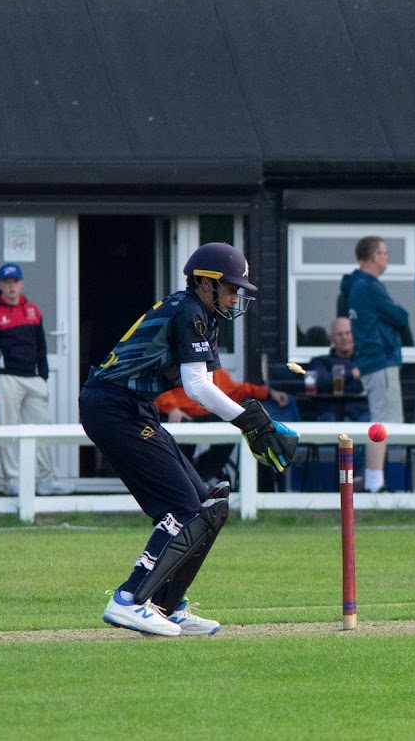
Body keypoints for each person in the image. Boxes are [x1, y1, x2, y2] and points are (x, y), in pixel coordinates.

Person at [79, 242, 299, 637]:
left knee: (205, 507)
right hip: (112, 407)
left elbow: (207, 383)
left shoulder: (202, 315)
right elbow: (196, 387)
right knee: (182, 507)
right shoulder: (189, 312)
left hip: (130, 408)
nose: (235, 296)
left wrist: (250, 418)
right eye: (230, 288)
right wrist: (251, 421)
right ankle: (128, 600)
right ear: (205, 282)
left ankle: (165, 606)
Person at [0, 263, 70, 496]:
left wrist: (44, 376)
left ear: (21, 284)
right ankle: (13, 481)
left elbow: (41, 347)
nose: (11, 287)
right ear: (0, 285)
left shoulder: (33, 311)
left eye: (15, 282)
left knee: (42, 428)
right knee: (9, 429)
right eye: (6, 283)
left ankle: (46, 479)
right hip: (7, 378)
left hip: (33, 378)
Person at [342, 237, 408, 493]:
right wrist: (399, 311)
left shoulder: (357, 286)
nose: (386, 257)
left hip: (372, 361)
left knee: (383, 421)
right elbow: (399, 316)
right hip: (380, 360)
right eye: (382, 252)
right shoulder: (368, 286)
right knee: (383, 423)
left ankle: (372, 478)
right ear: (370, 257)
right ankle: (374, 483)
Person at [154, 368, 292, 483]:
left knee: (232, 428)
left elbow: (239, 389)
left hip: (207, 414)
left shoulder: (215, 371)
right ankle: (183, 479)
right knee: (182, 438)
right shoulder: (171, 366)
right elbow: (157, 389)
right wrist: (171, 407)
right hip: (181, 416)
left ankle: (201, 475)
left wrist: (269, 393)